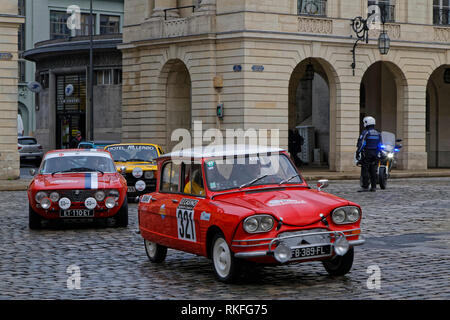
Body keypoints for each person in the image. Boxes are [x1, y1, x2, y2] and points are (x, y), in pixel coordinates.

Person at [356, 116, 382, 192]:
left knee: (365, 170)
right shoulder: (378, 133)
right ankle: (373, 187)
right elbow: (380, 145)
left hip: (367, 153)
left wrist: (358, 152)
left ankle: (365, 186)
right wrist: (378, 153)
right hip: (375, 154)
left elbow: (362, 144)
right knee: (373, 170)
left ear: (366, 123)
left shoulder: (366, 132)